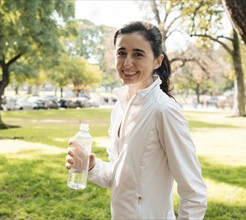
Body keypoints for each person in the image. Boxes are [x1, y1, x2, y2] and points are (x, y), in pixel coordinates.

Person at [66, 21, 207, 219]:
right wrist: (91, 166)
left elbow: (194, 192)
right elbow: (118, 175)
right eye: (121, 53)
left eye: (138, 54)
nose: (127, 63)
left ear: (157, 61)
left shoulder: (164, 110)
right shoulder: (120, 106)